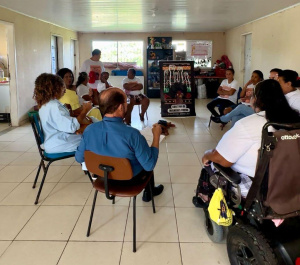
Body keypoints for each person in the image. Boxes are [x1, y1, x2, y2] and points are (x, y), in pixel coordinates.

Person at [202, 79, 300, 198]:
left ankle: (204, 197)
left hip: (260, 187)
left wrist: (207, 154)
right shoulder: (295, 121)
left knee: (210, 163)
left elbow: (223, 160)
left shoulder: (250, 123)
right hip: (291, 183)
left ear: (257, 100)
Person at [75, 87, 164, 202]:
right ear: (121, 107)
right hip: (129, 179)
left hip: (103, 176)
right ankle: (149, 192)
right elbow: (149, 165)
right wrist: (156, 136)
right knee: (146, 156)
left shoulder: (89, 130)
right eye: (126, 102)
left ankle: (149, 191)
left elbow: (78, 158)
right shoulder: (132, 134)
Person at [33, 73, 92, 153]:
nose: (64, 90)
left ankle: (86, 163)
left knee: (90, 133)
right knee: (94, 138)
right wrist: (85, 111)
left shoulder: (47, 103)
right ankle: (88, 163)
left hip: (55, 140)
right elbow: (72, 127)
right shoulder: (54, 106)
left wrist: (70, 111)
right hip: (59, 143)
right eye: (62, 87)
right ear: (53, 89)